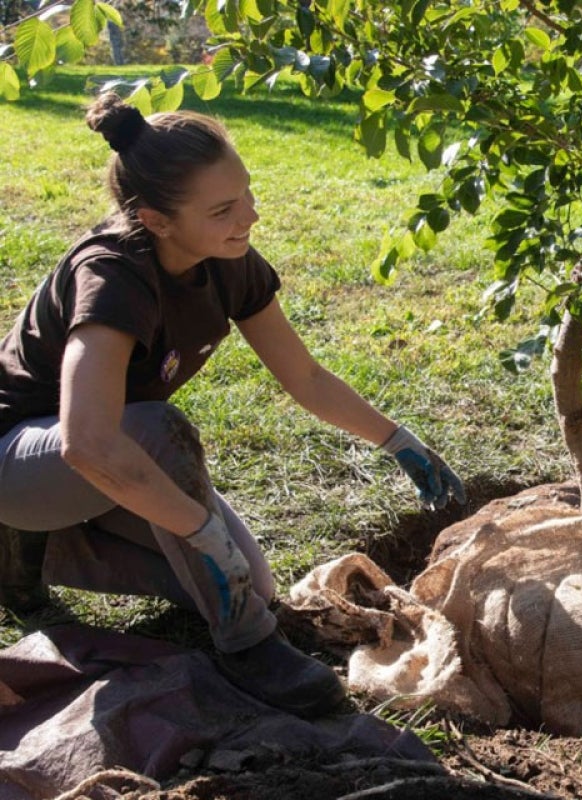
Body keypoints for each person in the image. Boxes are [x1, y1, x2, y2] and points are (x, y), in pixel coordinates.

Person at [0, 93, 466, 719]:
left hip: (109, 461)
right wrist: (199, 529)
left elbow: (302, 374)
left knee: (251, 580)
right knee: (167, 446)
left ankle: (35, 551)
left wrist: (399, 442)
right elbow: (85, 441)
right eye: (223, 208)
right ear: (155, 218)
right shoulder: (114, 275)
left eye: (245, 192)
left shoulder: (227, 260)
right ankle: (248, 648)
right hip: (23, 464)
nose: (249, 215)